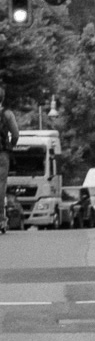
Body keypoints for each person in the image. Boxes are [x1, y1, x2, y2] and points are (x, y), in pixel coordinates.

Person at [0, 83, 20, 235]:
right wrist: (10, 146)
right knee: (1, 184)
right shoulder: (7, 114)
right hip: (2, 153)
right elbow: (15, 134)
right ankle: (1, 218)